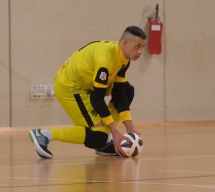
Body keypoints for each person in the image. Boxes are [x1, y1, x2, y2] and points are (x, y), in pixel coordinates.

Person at [29, 26, 146, 159]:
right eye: (137, 46)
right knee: (98, 137)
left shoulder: (124, 58)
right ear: (125, 43)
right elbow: (97, 99)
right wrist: (114, 131)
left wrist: (129, 127)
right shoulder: (105, 61)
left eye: (143, 47)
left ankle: (105, 140)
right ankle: (44, 135)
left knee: (127, 90)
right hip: (70, 87)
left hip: (87, 85)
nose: (140, 51)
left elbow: (119, 92)